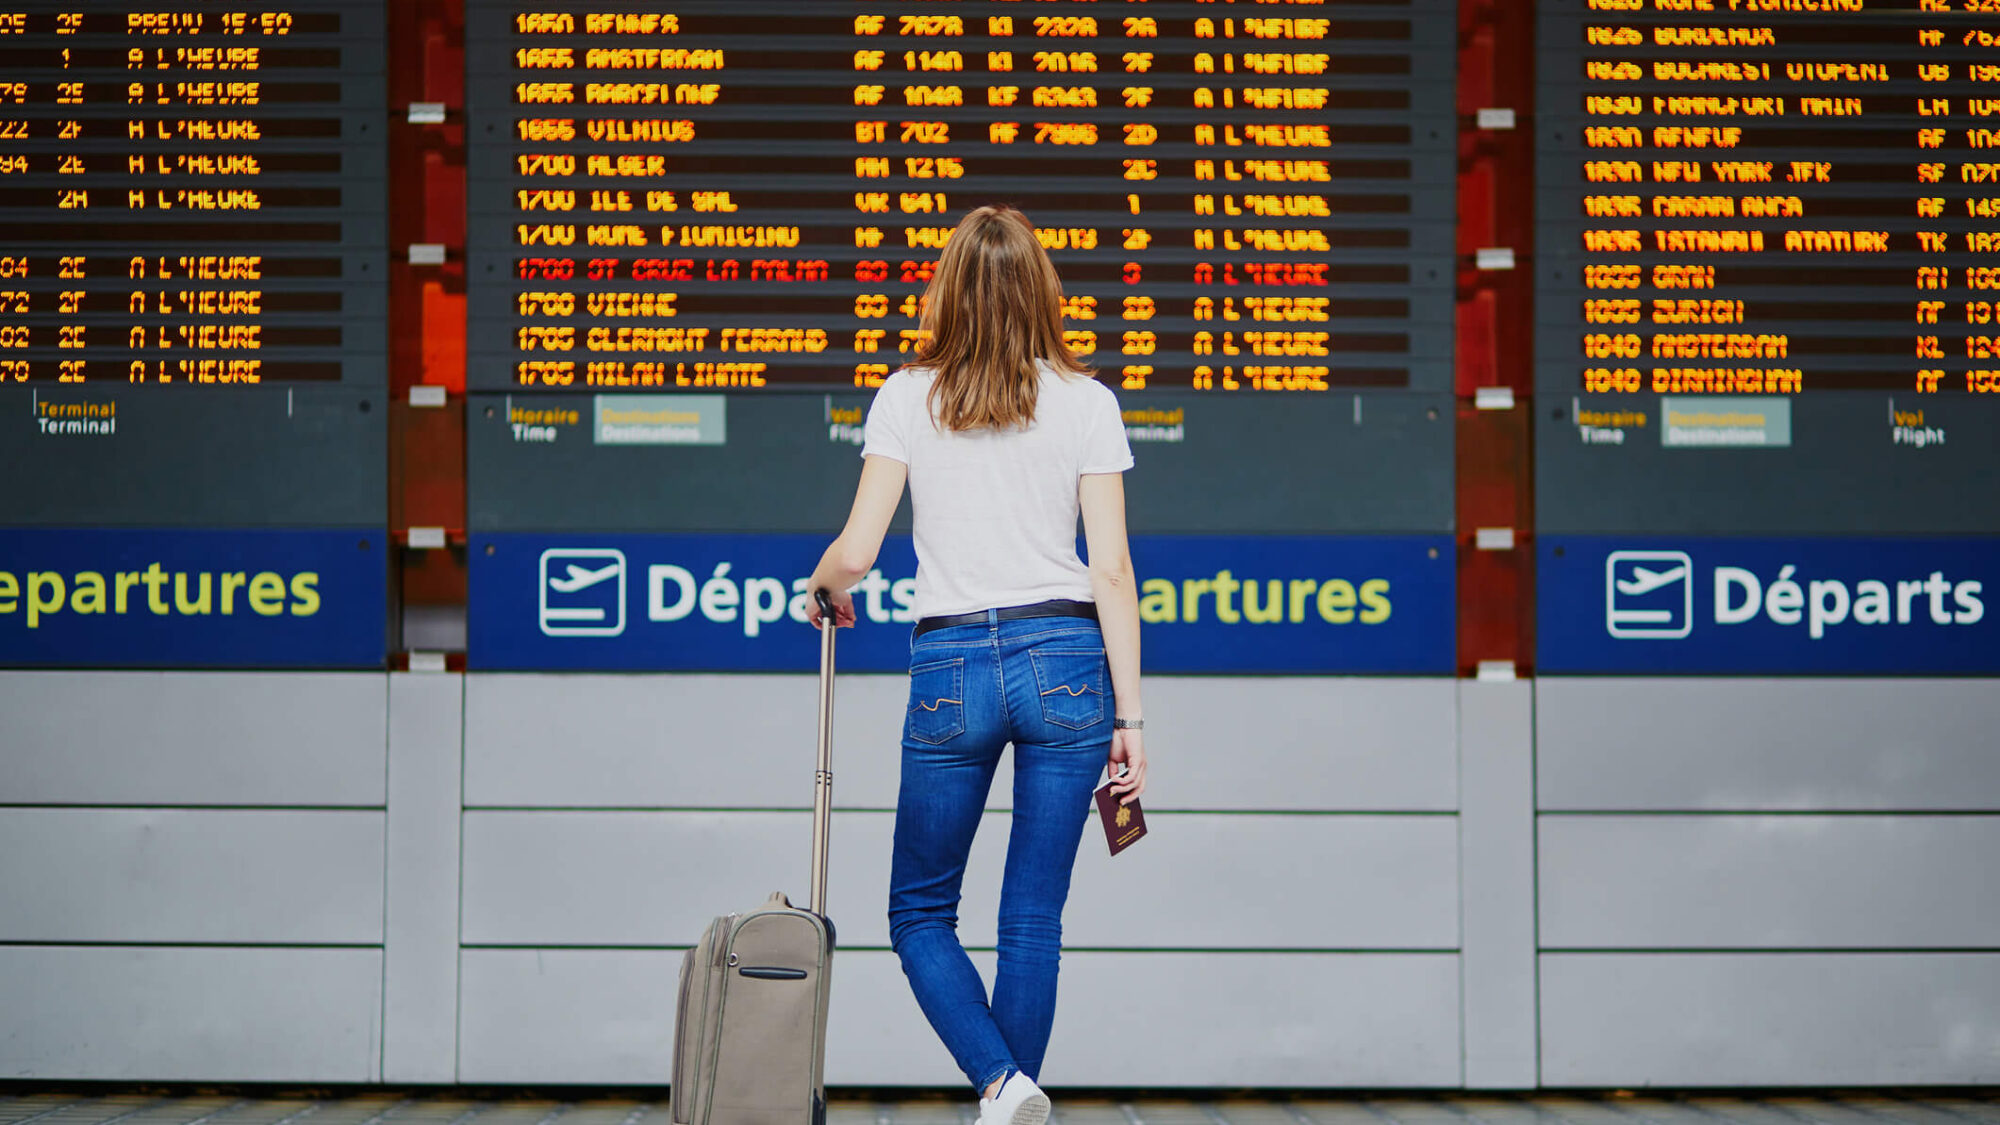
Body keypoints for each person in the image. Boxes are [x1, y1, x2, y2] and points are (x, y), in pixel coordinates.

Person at [806, 205, 1146, 1125]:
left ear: (946, 289)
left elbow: (859, 551)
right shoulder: (1088, 401)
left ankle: (1001, 1084)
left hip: (952, 664)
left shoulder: (906, 395)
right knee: (1033, 916)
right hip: (1069, 659)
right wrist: (1132, 718)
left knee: (919, 910)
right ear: (1044, 291)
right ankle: (1013, 1093)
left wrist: (821, 580)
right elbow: (1111, 569)